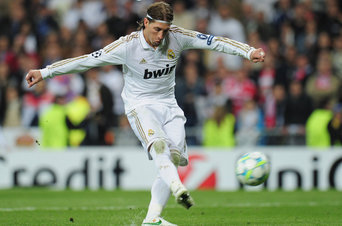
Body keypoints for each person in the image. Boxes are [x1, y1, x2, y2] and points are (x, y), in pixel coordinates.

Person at [25, 2, 265, 225]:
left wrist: (249, 51)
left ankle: (152, 219)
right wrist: (45, 72)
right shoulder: (126, 46)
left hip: (169, 106)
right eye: (157, 29)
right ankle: (177, 186)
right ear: (146, 22)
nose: (161, 36)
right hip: (140, 106)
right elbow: (86, 61)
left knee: (173, 158)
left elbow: (214, 41)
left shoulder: (177, 37)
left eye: (165, 30)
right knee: (158, 145)